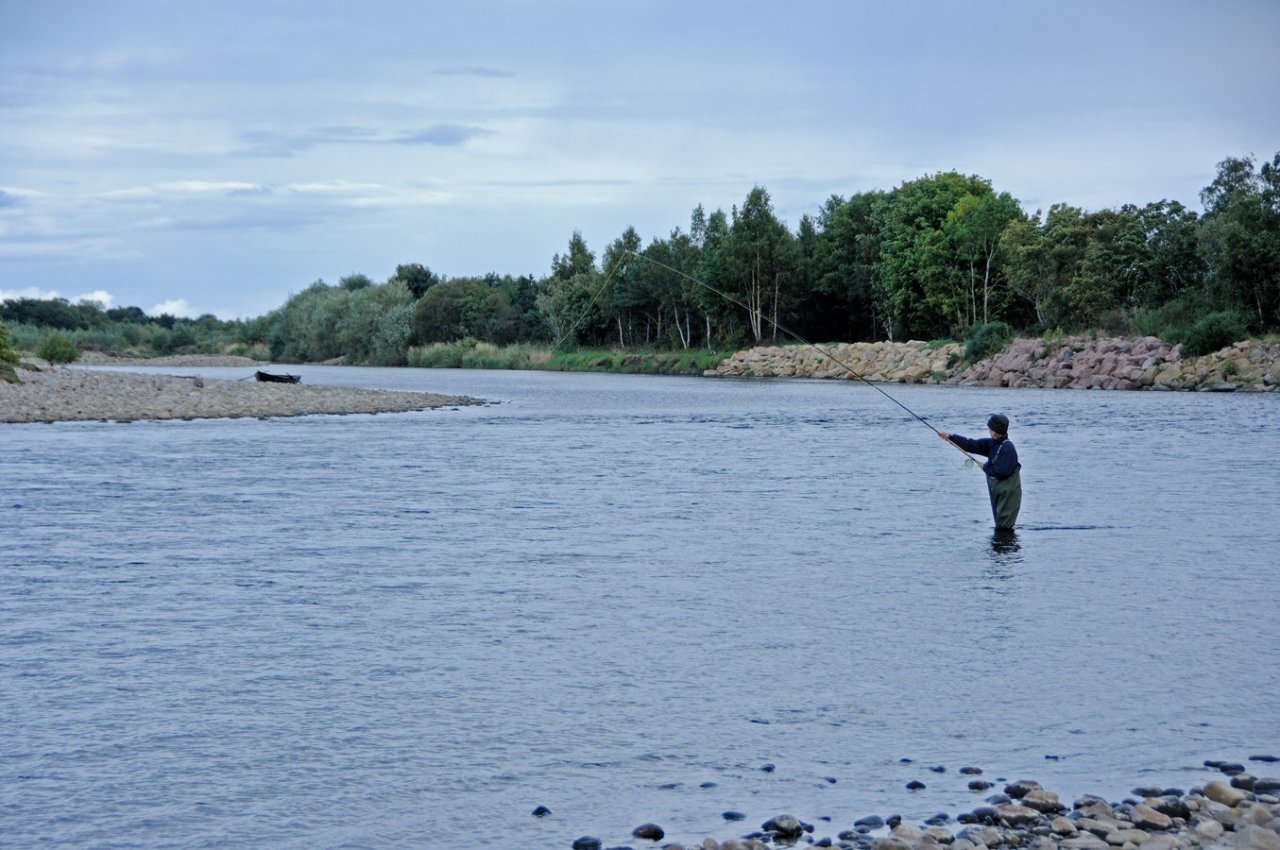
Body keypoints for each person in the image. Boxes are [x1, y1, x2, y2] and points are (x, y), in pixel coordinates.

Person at [938, 414, 1022, 530]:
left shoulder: (1008, 448)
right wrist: (950, 438)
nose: (988, 430)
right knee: (1001, 526)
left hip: (1008, 494)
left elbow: (1002, 472)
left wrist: (985, 467)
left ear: (994, 430)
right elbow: (970, 445)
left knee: (1004, 527)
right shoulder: (992, 443)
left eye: (990, 427)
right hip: (999, 492)